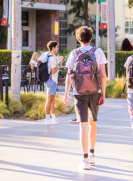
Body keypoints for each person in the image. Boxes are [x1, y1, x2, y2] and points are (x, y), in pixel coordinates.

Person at [63, 26, 107, 170]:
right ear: (91, 38)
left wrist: (66, 94)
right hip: (95, 92)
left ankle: (85, 159)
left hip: (78, 93)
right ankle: (93, 155)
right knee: (92, 123)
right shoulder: (98, 52)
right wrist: (103, 93)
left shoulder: (74, 53)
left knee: (83, 125)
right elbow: (103, 75)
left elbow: (69, 76)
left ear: (78, 38)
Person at [39, 41, 63, 124]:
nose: (57, 48)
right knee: (49, 100)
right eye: (57, 47)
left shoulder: (50, 56)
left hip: (50, 80)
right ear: (53, 48)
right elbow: (53, 71)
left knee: (52, 100)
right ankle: (47, 119)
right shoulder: (52, 58)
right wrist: (59, 66)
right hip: (51, 80)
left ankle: (53, 117)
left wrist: (57, 60)